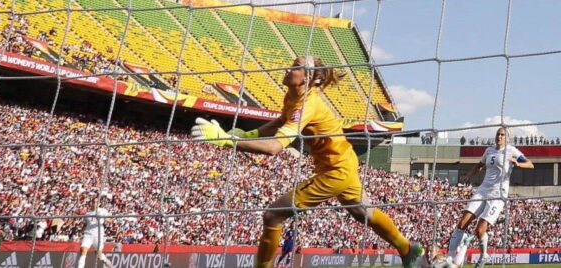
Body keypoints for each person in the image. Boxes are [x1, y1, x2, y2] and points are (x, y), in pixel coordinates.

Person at [191, 55, 425, 268]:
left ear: (309, 79)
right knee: (363, 212)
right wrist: (248, 135)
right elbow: (279, 122)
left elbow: (274, 148)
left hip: (336, 170)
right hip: (343, 161)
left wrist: (226, 141)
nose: (288, 67)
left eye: (295, 66)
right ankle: (407, 249)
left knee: (273, 215)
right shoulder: (293, 97)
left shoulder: (306, 105)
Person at [438, 127, 533, 268]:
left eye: (502, 135)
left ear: (507, 138)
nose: (499, 137)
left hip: (498, 194)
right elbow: (480, 165)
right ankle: (450, 258)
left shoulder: (512, 150)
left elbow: (530, 164)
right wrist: (468, 176)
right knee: (462, 223)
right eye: (498, 134)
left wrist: (518, 163)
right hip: (482, 190)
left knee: (479, 230)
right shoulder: (489, 150)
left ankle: (483, 256)